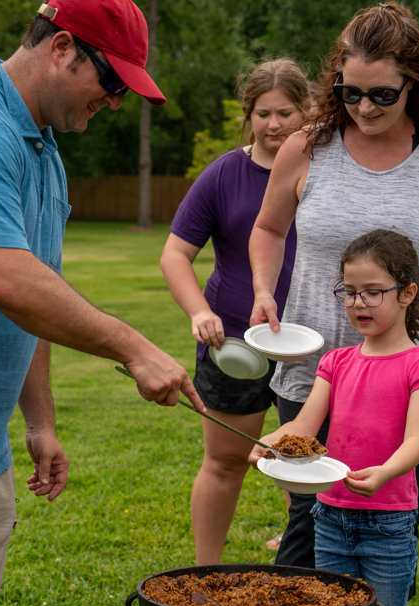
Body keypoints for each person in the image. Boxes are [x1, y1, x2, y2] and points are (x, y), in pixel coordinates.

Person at [0, 0, 205, 606]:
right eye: (110, 83)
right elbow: (2, 277)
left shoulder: (42, 147)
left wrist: (40, 421)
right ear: (61, 48)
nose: (112, 102)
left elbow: (40, 293)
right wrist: (132, 346)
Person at [248, 3, 419, 590]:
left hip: (400, 386)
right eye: (350, 92)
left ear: (414, 84)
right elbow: (269, 229)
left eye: (382, 94)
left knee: (386, 528)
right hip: (313, 372)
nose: (364, 107)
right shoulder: (307, 147)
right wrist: (261, 287)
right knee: (309, 528)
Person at [249, 229, 419, 606]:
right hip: (331, 515)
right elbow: (306, 424)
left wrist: (382, 472)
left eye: (372, 291)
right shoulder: (336, 361)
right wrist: (269, 441)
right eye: (349, 292)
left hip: (388, 522)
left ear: (407, 292)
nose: (358, 303)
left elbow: (417, 442)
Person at [160, 59, 311, 564]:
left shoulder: (330, 170)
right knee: (226, 461)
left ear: (307, 111)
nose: (274, 124)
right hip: (235, 346)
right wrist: (199, 312)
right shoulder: (225, 173)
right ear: (248, 116)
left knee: (306, 460)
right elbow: (175, 254)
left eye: (286, 112)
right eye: (263, 113)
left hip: (313, 346)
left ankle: (302, 554)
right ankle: (206, 569)